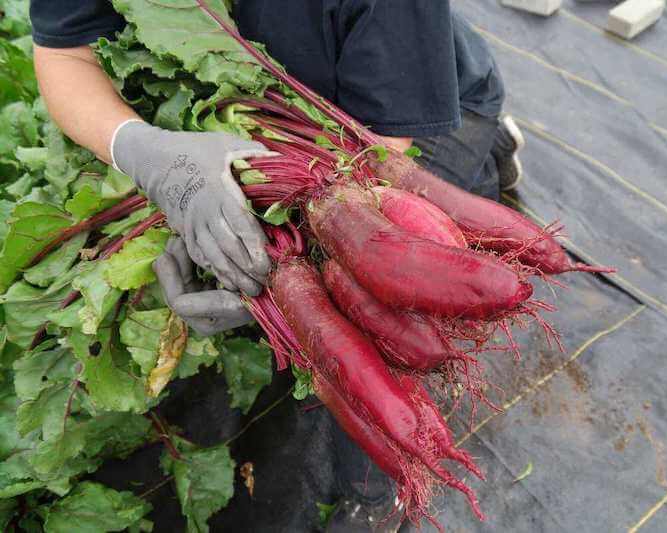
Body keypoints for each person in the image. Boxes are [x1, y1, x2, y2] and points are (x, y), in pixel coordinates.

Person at [30, 1, 524, 530]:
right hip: (260, 111)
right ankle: (410, 461)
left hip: (395, 113)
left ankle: (380, 487)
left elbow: (373, 150)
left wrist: (281, 269)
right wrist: (146, 154)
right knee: (326, 300)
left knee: (362, 293)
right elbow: (67, 52)